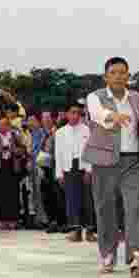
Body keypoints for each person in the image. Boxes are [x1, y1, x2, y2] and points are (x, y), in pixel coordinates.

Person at [83, 57, 139, 277]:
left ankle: (136, 255)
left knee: (134, 207)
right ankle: (108, 254)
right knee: (105, 208)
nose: (118, 76)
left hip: (133, 160)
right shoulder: (95, 97)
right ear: (106, 76)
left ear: (128, 76)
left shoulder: (136, 98)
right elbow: (97, 114)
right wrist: (112, 116)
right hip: (104, 161)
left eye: (122, 72)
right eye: (114, 72)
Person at [54, 103, 95, 242]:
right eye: (72, 112)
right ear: (67, 114)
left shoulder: (87, 130)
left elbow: (91, 151)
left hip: (83, 166)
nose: (75, 115)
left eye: (78, 113)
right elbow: (58, 154)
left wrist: (89, 170)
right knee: (71, 199)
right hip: (68, 167)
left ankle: (89, 230)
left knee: (87, 199)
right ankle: (75, 230)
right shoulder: (60, 132)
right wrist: (59, 174)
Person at [0, 115, 27, 230]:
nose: (0, 127)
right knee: (1, 194)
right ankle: (3, 220)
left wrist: (14, 150)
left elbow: (23, 149)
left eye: (3, 125)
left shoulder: (14, 135)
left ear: (8, 126)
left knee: (13, 193)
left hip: (12, 166)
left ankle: (13, 220)